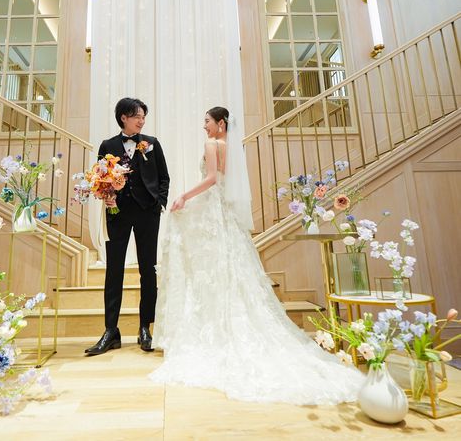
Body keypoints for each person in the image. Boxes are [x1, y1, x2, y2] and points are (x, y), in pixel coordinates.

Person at [150, 106, 364, 404]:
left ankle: (210, 327)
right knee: (229, 268)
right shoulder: (231, 148)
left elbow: (211, 178)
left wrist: (185, 196)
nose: (204, 126)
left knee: (209, 263)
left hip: (213, 209)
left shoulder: (212, 143)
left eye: (207, 121)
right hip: (224, 212)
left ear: (220, 123)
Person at [85, 98, 170, 356]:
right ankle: (111, 331)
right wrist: (106, 195)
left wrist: (159, 203)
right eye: (137, 116)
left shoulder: (152, 143)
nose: (142, 121)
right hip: (117, 213)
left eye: (143, 117)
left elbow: (164, 177)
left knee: (148, 269)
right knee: (114, 271)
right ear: (124, 117)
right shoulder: (107, 145)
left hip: (147, 213)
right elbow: (100, 178)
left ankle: (145, 327)